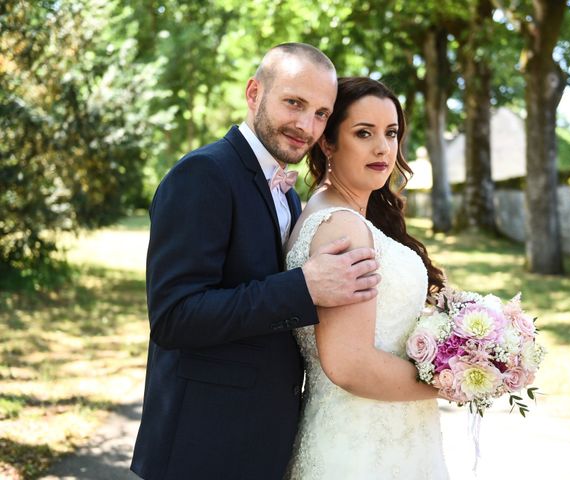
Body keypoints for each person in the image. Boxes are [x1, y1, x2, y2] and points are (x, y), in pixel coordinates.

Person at [130, 44, 381, 480]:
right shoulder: (203, 174)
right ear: (254, 93)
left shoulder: (287, 190)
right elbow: (174, 317)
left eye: (321, 113)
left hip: (260, 444)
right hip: (200, 449)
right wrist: (304, 288)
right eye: (294, 103)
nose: (307, 125)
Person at [285, 77, 450, 478]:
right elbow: (349, 364)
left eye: (391, 133)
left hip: (384, 433)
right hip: (363, 447)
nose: (383, 148)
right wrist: (454, 379)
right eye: (364, 133)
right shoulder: (342, 227)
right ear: (328, 142)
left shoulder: (342, 214)